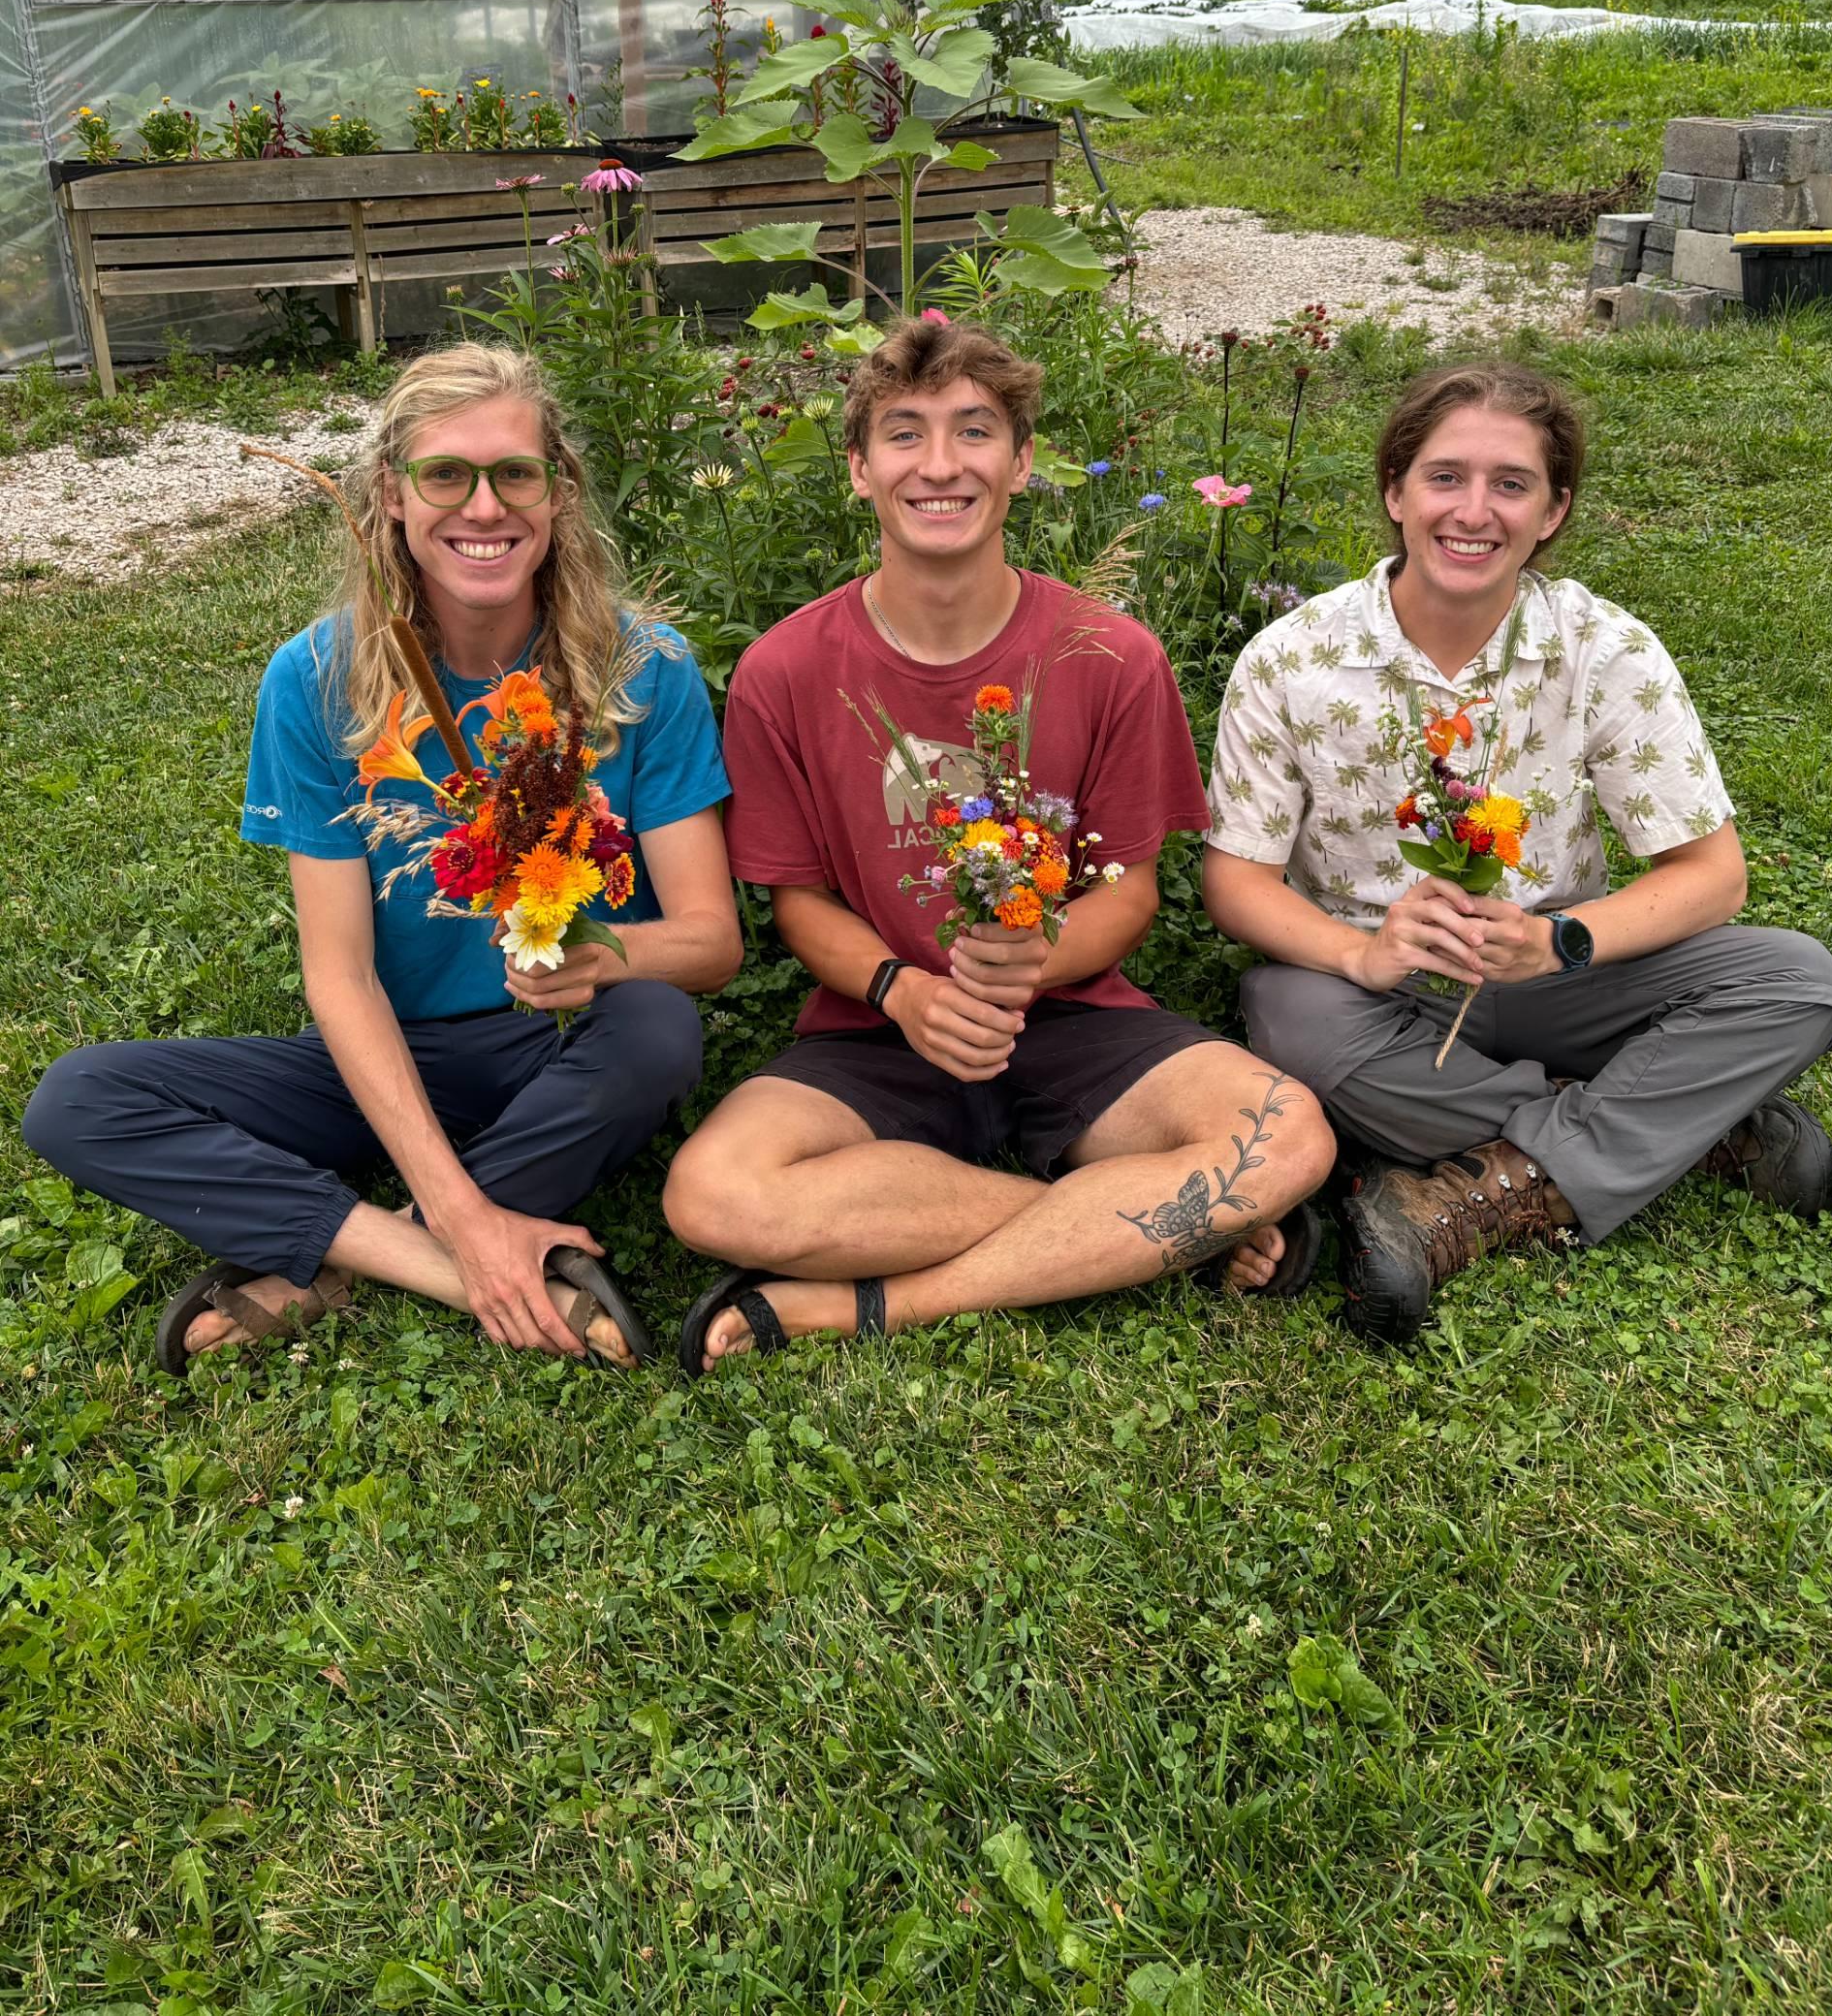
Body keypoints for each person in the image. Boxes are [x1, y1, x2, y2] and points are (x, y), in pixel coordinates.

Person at [24, 343, 739, 1375]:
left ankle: (335, 1260)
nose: (483, 507)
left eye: (515, 473)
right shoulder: (316, 678)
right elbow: (339, 972)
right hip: (385, 1059)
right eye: (445, 473)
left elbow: (711, 943)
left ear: (559, 495)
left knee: (659, 1023)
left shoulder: (644, 668)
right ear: (391, 499)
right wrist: (456, 1215)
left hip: (557, 1044)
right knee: (79, 1098)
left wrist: (606, 958)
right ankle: (443, 1259)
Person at [663, 318, 1334, 1372]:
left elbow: (1130, 891)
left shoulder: (1110, 656)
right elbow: (797, 904)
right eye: (903, 433)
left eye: (973, 430)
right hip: (873, 1029)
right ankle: (1136, 1227)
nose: (939, 464)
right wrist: (901, 989)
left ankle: (876, 1303)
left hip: (1071, 1018)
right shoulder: (784, 669)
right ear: (857, 469)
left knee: (1286, 1132)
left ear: (1020, 463)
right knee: (709, 1192)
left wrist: (1035, 961)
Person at [1202, 360, 1832, 1345]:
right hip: (1382, 994)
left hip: (1559, 974)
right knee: (1283, 1015)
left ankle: (1479, 1181)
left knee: (1798, 980)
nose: (1473, 510)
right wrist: (1357, 955)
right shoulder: (1291, 658)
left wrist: (1563, 942)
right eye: (1443, 476)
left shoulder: (1602, 647)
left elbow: (1712, 876)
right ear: (1394, 490)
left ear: (1550, 511)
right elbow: (1234, 877)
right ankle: (1692, 1132)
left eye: (1510, 483)